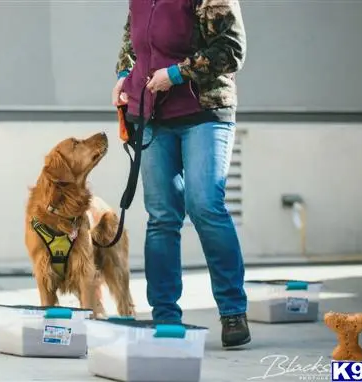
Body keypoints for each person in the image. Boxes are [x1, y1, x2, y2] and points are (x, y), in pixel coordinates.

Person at [111, 0, 250, 348]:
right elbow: (133, 40)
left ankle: (233, 310)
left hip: (203, 110)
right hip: (152, 115)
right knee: (161, 216)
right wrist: (122, 77)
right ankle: (165, 316)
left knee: (204, 204)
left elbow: (230, 49)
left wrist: (176, 73)